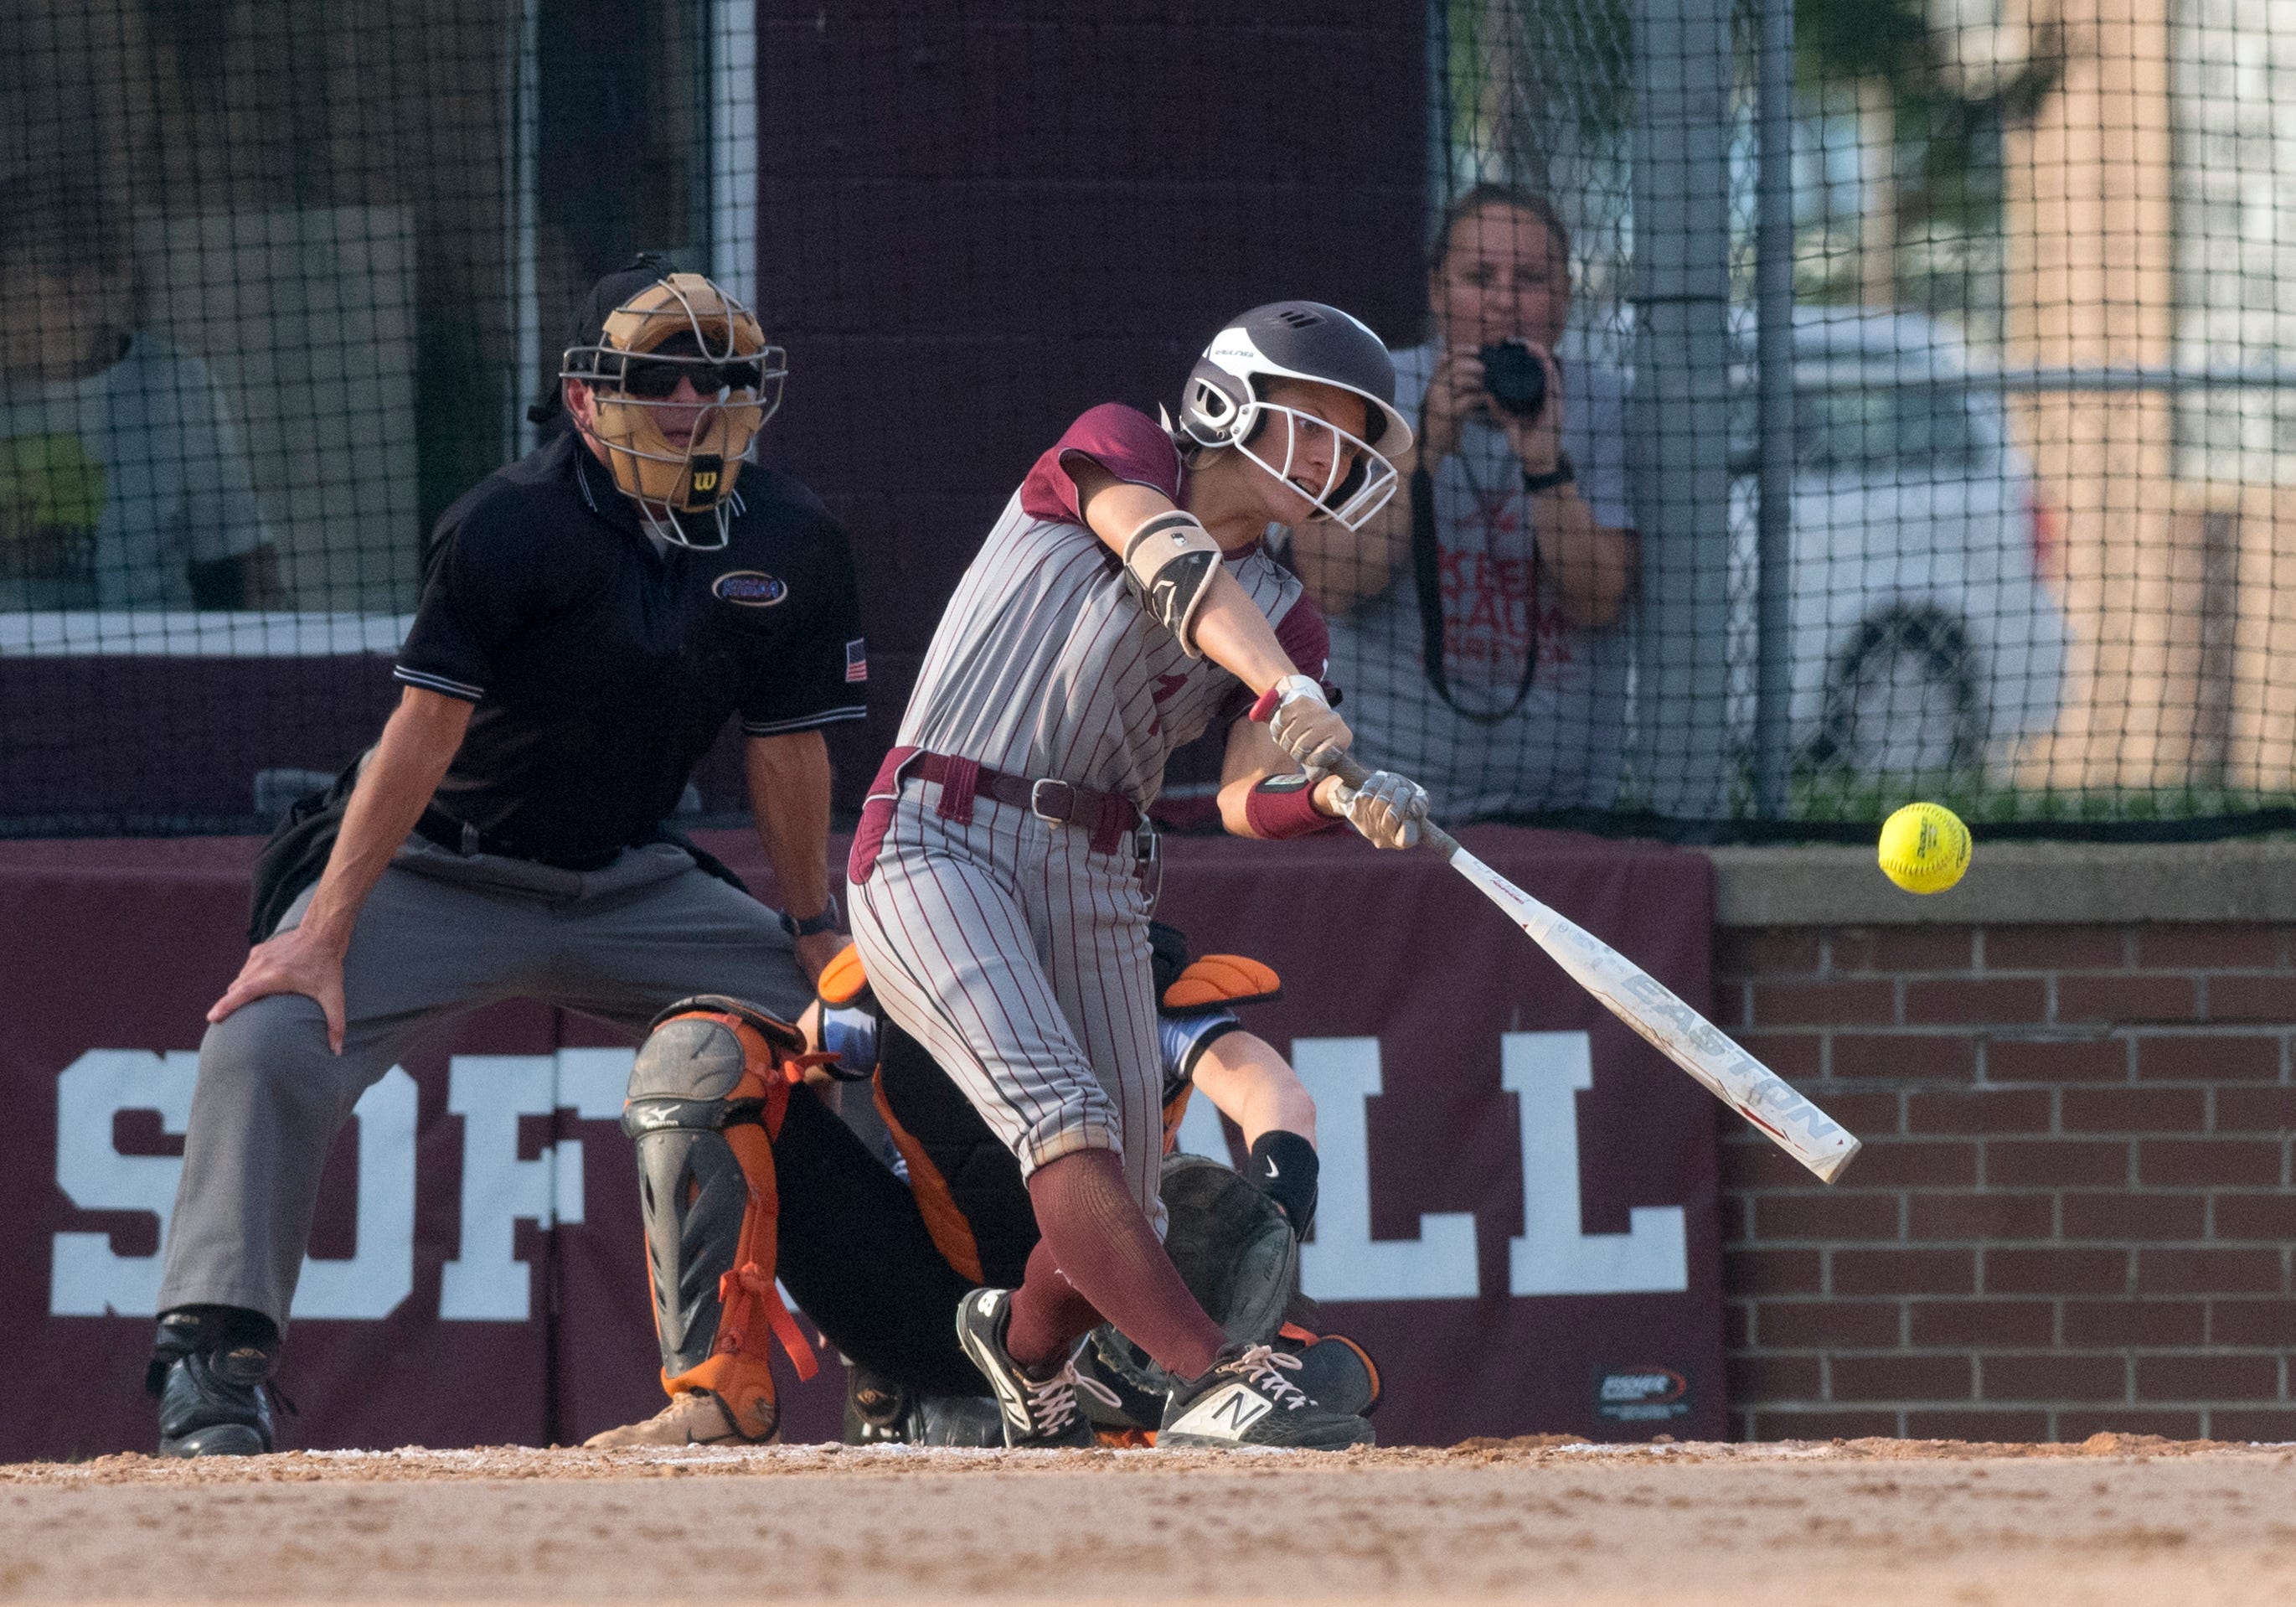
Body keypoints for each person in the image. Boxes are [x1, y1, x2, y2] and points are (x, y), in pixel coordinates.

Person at [142, 256, 864, 1457]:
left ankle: (922, 1351)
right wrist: (323, 931)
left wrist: (813, 930)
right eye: (656, 380)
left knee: (857, 1030)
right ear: (587, 399)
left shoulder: (792, 535)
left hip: (634, 876)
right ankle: (212, 1364)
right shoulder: (506, 525)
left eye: (717, 381)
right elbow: (418, 737)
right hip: (443, 866)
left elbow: (786, 756)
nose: (690, 406)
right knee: (264, 1035)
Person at [846, 300, 1432, 1451]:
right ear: (1227, 402)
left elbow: (1242, 801)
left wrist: (1336, 795)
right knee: (1060, 1119)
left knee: (1135, 1202)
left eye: (1344, 442)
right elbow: (1176, 570)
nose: (1324, 460)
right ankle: (1213, 1373)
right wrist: (1293, 699)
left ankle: (1016, 1351)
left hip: (1101, 869)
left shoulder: (1289, 618)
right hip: (938, 828)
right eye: (1309, 425)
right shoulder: (1121, 445)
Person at [581, 927, 1380, 1449]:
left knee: (1298, 1330)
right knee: (700, 1054)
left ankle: (1145, 1391)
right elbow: (785, 1077)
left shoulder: (1137, 982)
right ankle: (715, 1395)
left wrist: (1272, 1216)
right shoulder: (888, 980)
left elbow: (1273, 1097)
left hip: (1110, 1315)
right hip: (928, 1306)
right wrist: (810, 1241)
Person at [1289, 184, 1638, 817]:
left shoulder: (1602, 405)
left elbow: (1598, 603)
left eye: (1529, 278)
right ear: (1437, 292)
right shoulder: (1370, 394)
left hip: (1561, 805)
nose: (1504, 300)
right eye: (1479, 277)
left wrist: (1543, 463)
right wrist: (1419, 454)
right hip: (1381, 798)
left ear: (1562, 297)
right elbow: (1333, 583)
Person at [0, 182, 284, 610]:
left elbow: (239, 560)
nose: (78, 295)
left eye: (95, 274)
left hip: (146, 658)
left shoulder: (172, 382)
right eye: (17, 288)